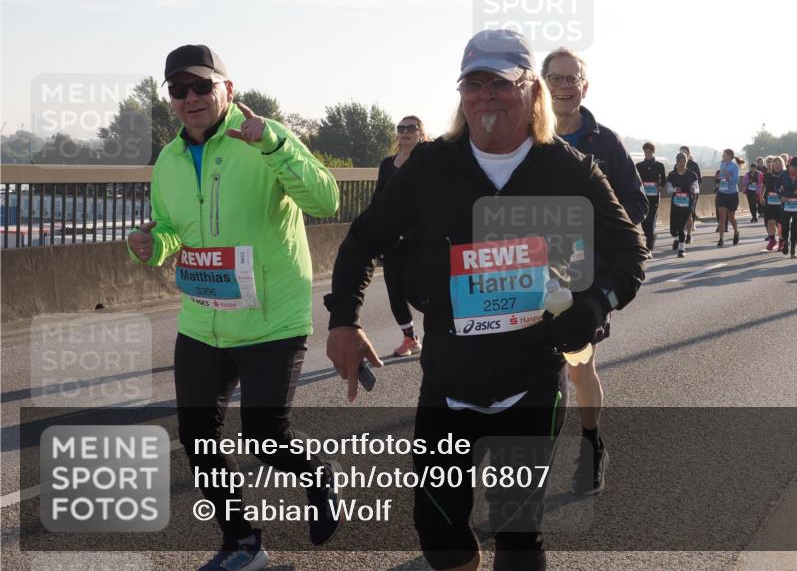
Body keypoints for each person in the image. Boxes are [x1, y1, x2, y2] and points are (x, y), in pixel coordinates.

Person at [324, 29, 646, 571]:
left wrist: (595, 304)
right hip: (449, 382)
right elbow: (362, 240)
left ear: (532, 92)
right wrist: (343, 322)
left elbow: (629, 249)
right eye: (473, 84)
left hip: (530, 384)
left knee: (518, 535)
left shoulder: (566, 168)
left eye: (500, 82)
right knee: (438, 532)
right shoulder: (430, 166)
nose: (485, 95)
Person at [127, 45, 342, 570]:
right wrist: (152, 246)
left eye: (202, 86)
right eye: (178, 90)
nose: (191, 98)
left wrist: (272, 143)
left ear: (228, 89)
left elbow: (327, 201)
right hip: (203, 320)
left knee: (266, 438)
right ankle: (242, 542)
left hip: (272, 318)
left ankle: (318, 475)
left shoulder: (265, 137)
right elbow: (173, 230)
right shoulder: (169, 159)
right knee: (199, 442)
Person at [541, 47, 647, 498]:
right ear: (540, 84)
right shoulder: (522, 135)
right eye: (556, 78)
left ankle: (591, 444)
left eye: (572, 79)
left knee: (578, 368)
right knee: (533, 376)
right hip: (529, 276)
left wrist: (589, 233)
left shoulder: (606, 143)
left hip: (583, 281)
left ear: (585, 86)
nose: (564, 86)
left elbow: (637, 206)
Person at [378, 116, 428, 356]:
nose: (405, 132)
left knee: (418, 291)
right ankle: (410, 338)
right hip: (391, 240)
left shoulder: (427, 162)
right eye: (401, 128)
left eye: (411, 128)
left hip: (419, 240)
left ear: (420, 133)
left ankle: (442, 330)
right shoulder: (387, 165)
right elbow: (378, 200)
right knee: (395, 291)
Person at [667, 152, 700, 257]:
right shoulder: (672, 175)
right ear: (676, 162)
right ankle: (676, 238)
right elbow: (668, 189)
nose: (681, 163)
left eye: (684, 161)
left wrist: (693, 189)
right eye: (679, 161)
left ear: (686, 161)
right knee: (673, 230)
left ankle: (682, 250)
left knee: (681, 228)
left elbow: (697, 189)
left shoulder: (692, 175)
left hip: (687, 204)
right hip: (675, 204)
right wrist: (674, 189)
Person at [636, 142, 667, 250]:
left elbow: (664, 179)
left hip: (654, 198)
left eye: (649, 151)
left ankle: (649, 248)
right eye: (645, 151)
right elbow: (635, 180)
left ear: (653, 152)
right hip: (642, 198)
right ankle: (651, 236)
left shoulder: (659, 166)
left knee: (651, 220)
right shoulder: (638, 166)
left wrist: (660, 187)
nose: (647, 153)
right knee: (644, 223)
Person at [715, 149, 743, 247]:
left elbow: (735, 181)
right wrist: (719, 179)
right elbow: (722, 177)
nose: (722, 156)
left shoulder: (735, 167)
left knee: (731, 217)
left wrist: (727, 176)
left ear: (730, 156)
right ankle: (721, 239)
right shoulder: (722, 164)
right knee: (722, 217)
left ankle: (736, 232)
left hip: (732, 194)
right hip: (722, 193)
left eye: (724, 154)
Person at [760, 157, 784, 252]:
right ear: (772, 165)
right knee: (770, 222)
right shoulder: (768, 175)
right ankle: (772, 240)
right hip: (770, 203)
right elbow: (763, 186)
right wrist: (761, 197)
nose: (777, 165)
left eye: (779, 163)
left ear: (782, 165)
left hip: (781, 204)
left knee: (780, 224)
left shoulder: (785, 175)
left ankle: (782, 241)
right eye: (775, 163)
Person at [680, 145, 702, 241]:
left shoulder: (694, 165)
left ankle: (689, 232)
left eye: (684, 152)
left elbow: (699, 179)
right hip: (680, 194)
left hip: (692, 193)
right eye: (680, 152)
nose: (682, 155)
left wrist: (693, 187)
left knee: (690, 211)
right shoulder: (676, 165)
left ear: (689, 154)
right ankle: (682, 231)